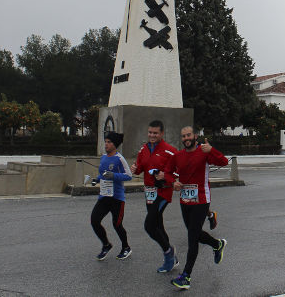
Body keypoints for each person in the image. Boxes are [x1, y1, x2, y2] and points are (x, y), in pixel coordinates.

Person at [165, 126, 228, 290]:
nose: (186, 138)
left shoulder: (204, 151)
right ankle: (217, 244)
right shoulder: (178, 156)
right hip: (185, 201)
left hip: (201, 199)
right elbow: (167, 172)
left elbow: (224, 162)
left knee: (192, 237)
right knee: (195, 233)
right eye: (183, 136)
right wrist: (173, 182)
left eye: (188, 135)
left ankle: (186, 276)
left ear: (195, 136)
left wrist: (212, 150)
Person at [130, 120, 178, 272]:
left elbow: (179, 170)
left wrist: (166, 175)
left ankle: (169, 253)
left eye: (155, 133)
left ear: (162, 134)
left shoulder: (170, 151)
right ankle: (171, 257)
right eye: (150, 132)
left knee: (149, 226)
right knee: (157, 225)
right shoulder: (143, 149)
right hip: (149, 192)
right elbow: (140, 168)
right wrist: (135, 169)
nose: (152, 135)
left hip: (162, 192)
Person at [90, 131, 132, 260]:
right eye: (106, 142)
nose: (106, 144)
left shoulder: (119, 158)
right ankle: (106, 245)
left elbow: (129, 176)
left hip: (117, 198)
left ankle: (126, 247)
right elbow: (103, 174)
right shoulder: (103, 157)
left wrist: (114, 176)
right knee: (94, 220)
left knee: (117, 224)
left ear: (115, 145)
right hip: (104, 197)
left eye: (109, 142)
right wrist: (95, 180)